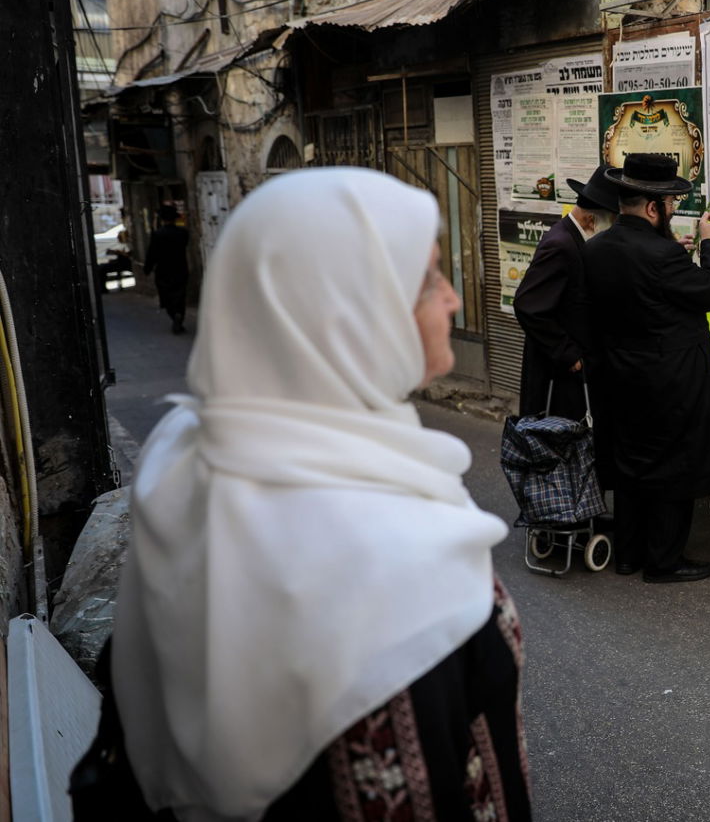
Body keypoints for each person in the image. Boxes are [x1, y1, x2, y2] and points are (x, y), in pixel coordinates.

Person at [73, 169, 530, 820]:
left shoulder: (190, 454)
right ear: (348, 310)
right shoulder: (377, 558)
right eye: (427, 279)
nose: (454, 300)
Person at [583, 154, 710, 583]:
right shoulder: (663, 254)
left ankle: (629, 555)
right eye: (671, 205)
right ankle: (664, 562)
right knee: (672, 468)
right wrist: (709, 243)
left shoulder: (596, 249)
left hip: (618, 379)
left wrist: (674, 257)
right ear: (653, 208)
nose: (673, 212)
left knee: (631, 465)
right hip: (668, 383)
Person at [513, 165, 619, 420]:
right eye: (612, 222)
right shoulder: (561, 244)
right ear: (592, 219)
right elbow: (527, 304)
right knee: (557, 447)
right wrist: (568, 353)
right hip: (557, 376)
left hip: (568, 374)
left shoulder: (574, 239)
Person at [143, 205, 190, 333]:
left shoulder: (158, 235)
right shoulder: (183, 233)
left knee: (167, 296)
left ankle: (174, 314)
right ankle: (179, 315)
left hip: (164, 270)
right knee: (180, 295)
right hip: (180, 268)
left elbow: (152, 254)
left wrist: (147, 268)